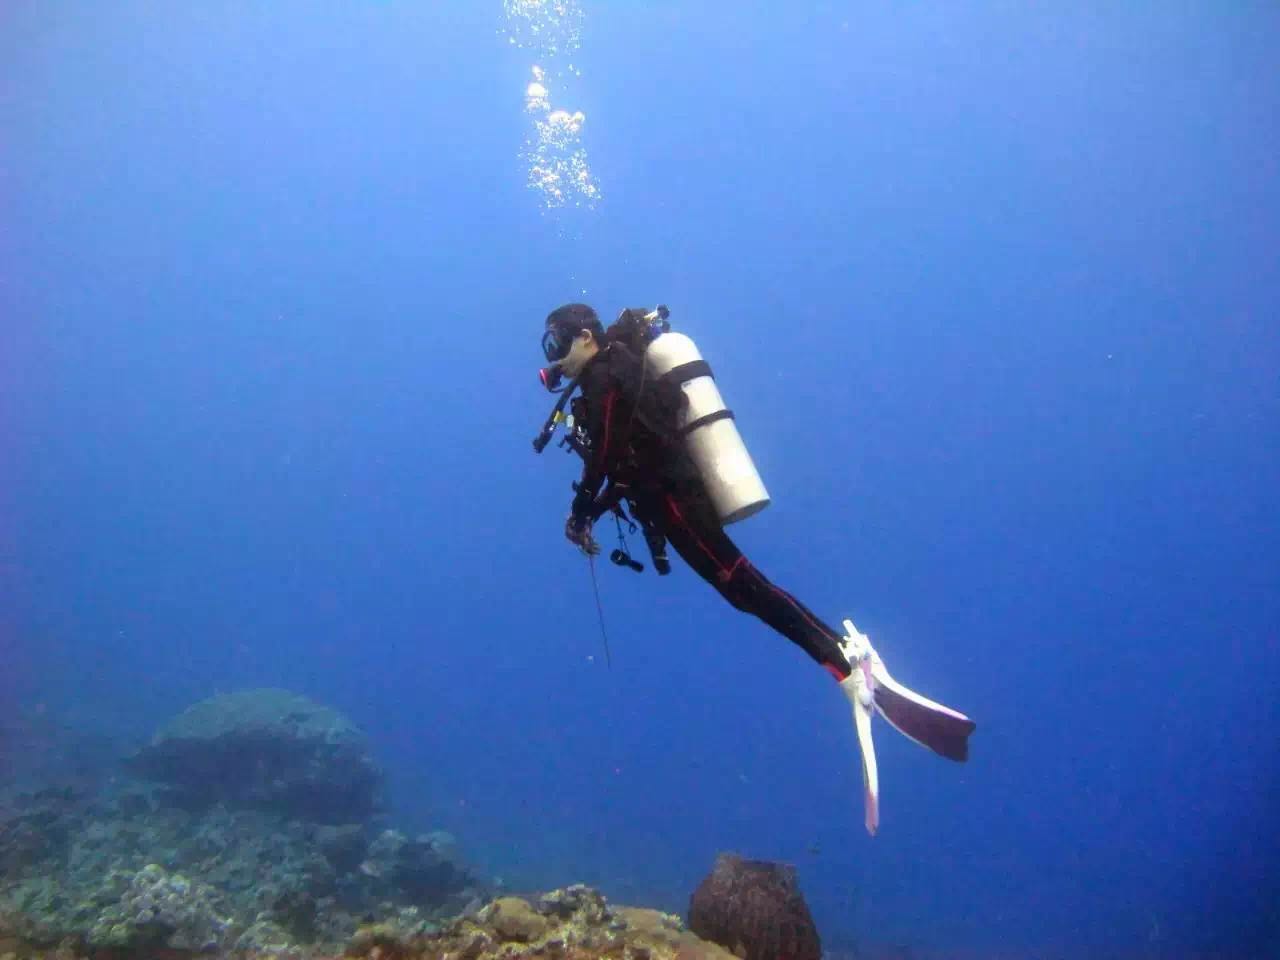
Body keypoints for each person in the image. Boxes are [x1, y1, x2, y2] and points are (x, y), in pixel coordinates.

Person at [538, 303, 975, 834]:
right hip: (666, 497)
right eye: (549, 348)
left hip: (674, 498)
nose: (554, 358)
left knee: (742, 582)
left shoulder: (606, 375)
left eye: (558, 344)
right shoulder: (608, 374)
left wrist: (582, 511)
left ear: (586, 337)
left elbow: (608, 454)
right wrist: (594, 509)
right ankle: (842, 658)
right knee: (741, 588)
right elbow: (622, 461)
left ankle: (845, 659)